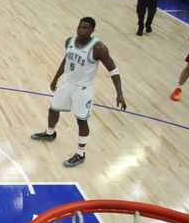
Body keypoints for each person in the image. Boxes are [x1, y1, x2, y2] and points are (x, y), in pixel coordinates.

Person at [30, 17, 126, 167]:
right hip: (67, 83)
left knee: (81, 120)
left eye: (86, 28)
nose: (81, 30)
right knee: (53, 109)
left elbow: (113, 70)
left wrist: (119, 93)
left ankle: (80, 154)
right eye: (80, 27)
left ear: (92, 30)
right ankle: (50, 133)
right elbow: (66, 60)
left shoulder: (98, 48)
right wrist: (55, 78)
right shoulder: (70, 41)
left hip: (83, 89)